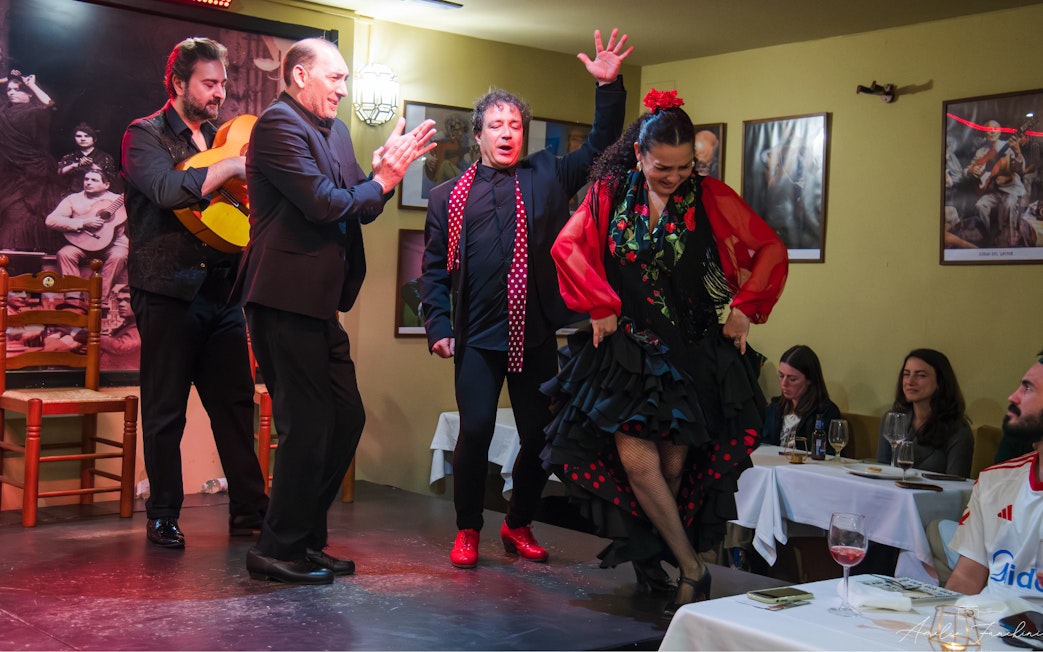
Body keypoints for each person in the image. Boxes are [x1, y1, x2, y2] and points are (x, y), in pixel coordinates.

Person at [542, 88, 788, 613]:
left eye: (683, 167)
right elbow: (567, 246)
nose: (675, 177)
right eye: (663, 168)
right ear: (639, 155)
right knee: (638, 462)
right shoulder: (608, 193)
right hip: (629, 352)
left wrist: (745, 306)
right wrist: (598, 302)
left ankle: (653, 554)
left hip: (692, 352)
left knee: (674, 469)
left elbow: (769, 247)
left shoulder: (713, 197)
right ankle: (694, 569)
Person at [419, 28, 631, 570]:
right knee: (477, 430)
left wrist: (609, 88)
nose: (507, 133)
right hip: (476, 339)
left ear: (525, 133)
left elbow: (601, 147)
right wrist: (438, 326)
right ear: (479, 135)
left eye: (515, 125)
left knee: (541, 436)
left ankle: (517, 524)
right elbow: (435, 270)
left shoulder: (548, 175)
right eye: (497, 125)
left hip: (535, 334)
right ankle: (468, 529)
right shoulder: (448, 196)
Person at [233, 37, 436, 585]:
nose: (343, 91)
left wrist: (380, 175)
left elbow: (359, 204)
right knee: (308, 425)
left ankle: (302, 539)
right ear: (299, 76)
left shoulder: (338, 131)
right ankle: (276, 548)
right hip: (281, 297)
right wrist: (382, 181)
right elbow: (325, 203)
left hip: (321, 302)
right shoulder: (276, 126)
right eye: (335, 78)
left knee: (344, 418)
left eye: (345, 81)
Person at [120, 37, 270, 549]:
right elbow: (165, 191)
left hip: (222, 291)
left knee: (234, 403)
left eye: (223, 83)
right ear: (178, 83)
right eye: (209, 83)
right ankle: (163, 513)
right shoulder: (143, 136)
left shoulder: (222, 135)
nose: (219, 93)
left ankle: (251, 510)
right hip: (165, 291)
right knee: (166, 410)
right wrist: (228, 168)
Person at [946, 352, 1043, 598]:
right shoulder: (994, 481)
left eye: (1028, 388)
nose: (1013, 397)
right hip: (989, 627)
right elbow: (966, 578)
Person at [876, 349, 973, 477]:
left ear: (940, 382)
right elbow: (881, 470)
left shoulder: (958, 429)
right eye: (906, 374)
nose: (910, 381)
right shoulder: (893, 418)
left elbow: (957, 486)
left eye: (920, 375)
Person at [0, 70, 63, 252]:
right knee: (9, 212)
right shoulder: (3, 113)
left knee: (25, 214)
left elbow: (50, 105)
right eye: (8, 90)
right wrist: (7, 79)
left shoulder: (35, 112)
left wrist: (31, 84)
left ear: (28, 94)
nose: (10, 92)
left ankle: (23, 260)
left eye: (15, 89)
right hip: (9, 173)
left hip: (33, 172)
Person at [44, 167, 128, 300]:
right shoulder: (73, 199)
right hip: (81, 244)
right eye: (86, 179)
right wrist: (83, 223)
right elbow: (51, 220)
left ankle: (99, 298)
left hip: (113, 244)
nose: (88, 183)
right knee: (65, 254)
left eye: (94, 180)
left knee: (119, 255)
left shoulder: (119, 200)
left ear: (106, 185)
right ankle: (74, 298)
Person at [761, 344, 841, 449]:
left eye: (792, 379)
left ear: (809, 380)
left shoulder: (824, 411)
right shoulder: (775, 407)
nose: (784, 383)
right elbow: (764, 443)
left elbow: (827, 453)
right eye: (781, 376)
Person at [57, 122, 117, 195]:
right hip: (73, 195)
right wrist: (75, 165)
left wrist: (95, 168)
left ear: (95, 139)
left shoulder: (105, 157)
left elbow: (112, 180)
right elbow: (59, 175)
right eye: (79, 136)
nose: (82, 139)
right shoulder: (69, 157)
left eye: (87, 136)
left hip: (98, 195)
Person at [101, 285, 140, 370]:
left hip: (121, 378)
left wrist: (93, 338)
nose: (121, 304)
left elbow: (121, 347)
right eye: (119, 300)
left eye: (127, 300)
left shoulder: (139, 326)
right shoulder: (130, 324)